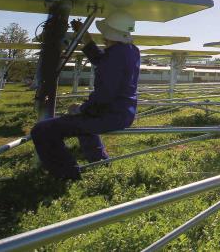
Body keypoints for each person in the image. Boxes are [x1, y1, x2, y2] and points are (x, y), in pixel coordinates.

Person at [30, 11, 140, 180]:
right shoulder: (130, 50)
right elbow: (103, 61)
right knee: (83, 123)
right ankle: (99, 162)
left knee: (42, 130)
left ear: (111, 33)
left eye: (105, 34)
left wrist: (82, 108)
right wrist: (85, 36)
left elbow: (104, 96)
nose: (103, 37)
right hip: (123, 112)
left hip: (111, 114)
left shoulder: (115, 55)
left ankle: (67, 176)